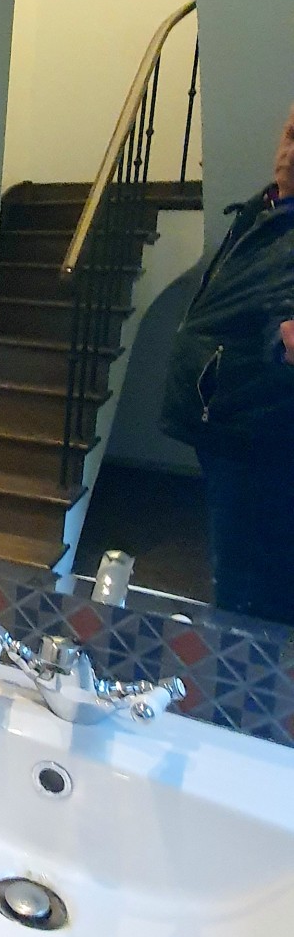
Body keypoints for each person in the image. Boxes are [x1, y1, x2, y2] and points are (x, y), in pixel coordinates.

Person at [159, 103, 294, 625]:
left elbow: (280, 325)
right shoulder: (261, 208)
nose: (291, 151)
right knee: (234, 566)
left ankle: (243, 670)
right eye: (290, 134)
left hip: (258, 436)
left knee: (251, 587)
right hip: (224, 424)